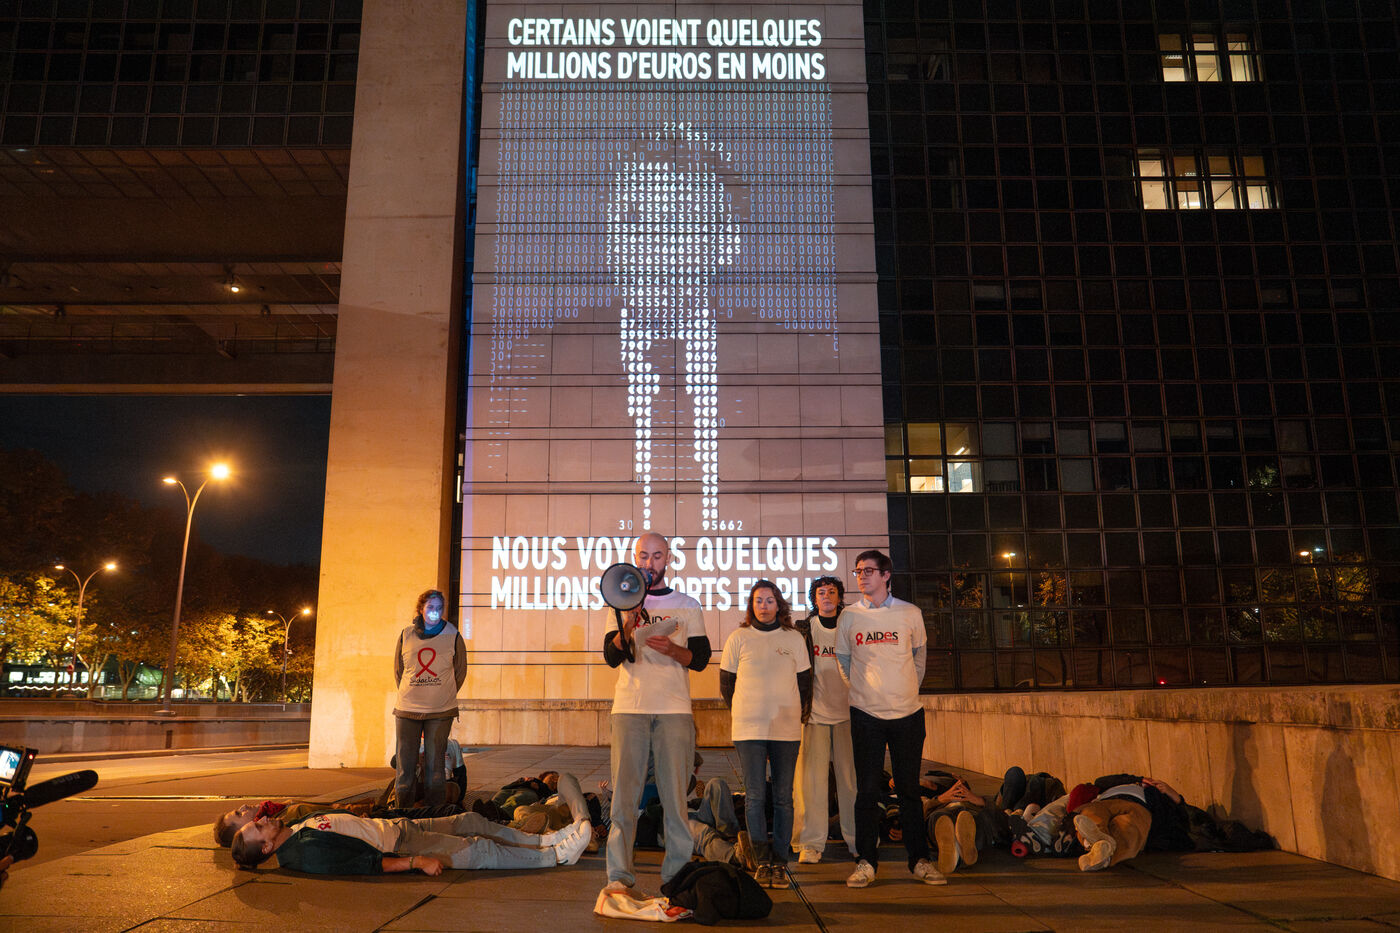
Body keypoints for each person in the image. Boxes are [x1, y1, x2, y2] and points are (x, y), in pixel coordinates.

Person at [601, 532, 711, 895]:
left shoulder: (687, 604)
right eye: (644, 556)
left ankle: (676, 876)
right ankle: (619, 876)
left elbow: (700, 659)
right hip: (629, 709)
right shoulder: (618, 602)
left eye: (658, 556)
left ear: (669, 559)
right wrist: (629, 623)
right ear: (635, 558)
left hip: (673, 710)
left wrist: (672, 650)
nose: (650, 563)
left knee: (675, 799)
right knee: (624, 799)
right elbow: (611, 657)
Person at [835, 549, 942, 887]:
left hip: (908, 715)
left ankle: (920, 860)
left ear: (886, 575)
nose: (861, 576)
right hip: (865, 715)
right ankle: (866, 861)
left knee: (909, 790)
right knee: (867, 791)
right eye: (858, 571)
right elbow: (843, 660)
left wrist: (904, 690)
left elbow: (919, 659)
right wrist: (863, 692)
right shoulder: (849, 616)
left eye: (868, 570)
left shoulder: (910, 613)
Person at [719, 580, 812, 888]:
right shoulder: (738, 637)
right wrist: (744, 710)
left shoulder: (793, 638)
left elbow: (804, 683)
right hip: (749, 729)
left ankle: (780, 862)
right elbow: (727, 684)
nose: (764, 605)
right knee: (755, 796)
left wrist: (794, 712)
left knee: (784, 798)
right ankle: (761, 861)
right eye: (758, 600)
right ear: (751, 605)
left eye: (769, 600)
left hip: (786, 729)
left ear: (778, 604)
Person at [231, 807, 591, 874]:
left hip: (399, 827)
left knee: (470, 820)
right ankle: (557, 856)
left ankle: (543, 839)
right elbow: (361, 864)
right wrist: (415, 862)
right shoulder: (303, 853)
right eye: (257, 828)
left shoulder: (294, 828)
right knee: (478, 850)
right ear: (267, 848)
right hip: (401, 846)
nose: (260, 820)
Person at [792, 574, 858, 864]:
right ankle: (811, 843)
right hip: (815, 715)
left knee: (851, 783)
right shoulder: (805, 630)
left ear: (840, 597)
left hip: (850, 715)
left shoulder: (852, 626)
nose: (827, 596)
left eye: (832, 592)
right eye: (821, 592)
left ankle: (858, 841)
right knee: (811, 784)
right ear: (814, 599)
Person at [392, 589, 467, 808]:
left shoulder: (453, 635)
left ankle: (434, 816)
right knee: (405, 770)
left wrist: (442, 693)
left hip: (440, 711)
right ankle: (403, 815)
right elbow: (399, 671)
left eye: (439, 608)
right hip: (407, 709)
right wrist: (413, 691)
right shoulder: (406, 635)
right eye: (431, 607)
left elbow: (460, 671)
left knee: (436, 770)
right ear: (421, 609)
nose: (435, 612)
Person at [214, 797, 461, 847]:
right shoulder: (282, 822)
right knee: (432, 815)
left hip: (363, 815)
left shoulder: (277, 814)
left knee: (425, 813)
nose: (243, 808)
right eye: (238, 814)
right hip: (368, 820)